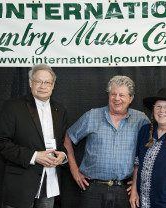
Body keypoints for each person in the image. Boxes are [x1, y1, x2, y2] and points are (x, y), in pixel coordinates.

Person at [64, 75, 150, 208]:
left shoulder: (141, 120)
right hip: (92, 190)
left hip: (123, 191)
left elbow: (150, 151)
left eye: (122, 95)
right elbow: (68, 138)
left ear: (131, 98)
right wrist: (75, 171)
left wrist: (137, 182)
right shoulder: (92, 116)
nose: (117, 98)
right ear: (108, 95)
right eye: (113, 94)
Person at [0, 64, 68, 208]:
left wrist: (63, 157)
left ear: (53, 86)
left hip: (50, 184)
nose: (42, 86)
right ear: (30, 83)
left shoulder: (61, 110)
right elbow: (0, 144)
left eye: (47, 82)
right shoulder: (13, 107)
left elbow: (62, 144)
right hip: (21, 186)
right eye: (38, 81)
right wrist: (34, 156)